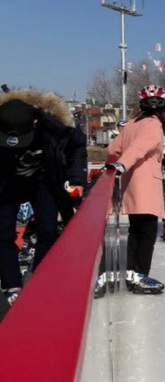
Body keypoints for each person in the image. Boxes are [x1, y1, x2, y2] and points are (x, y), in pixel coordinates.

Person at [0, 90, 87, 306]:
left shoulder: (55, 129)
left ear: (36, 122)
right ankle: (12, 285)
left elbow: (77, 146)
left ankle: (39, 277)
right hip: (7, 181)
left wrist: (76, 179)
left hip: (44, 180)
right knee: (2, 233)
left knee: (47, 228)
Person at [105, 85, 165, 295]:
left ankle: (131, 274)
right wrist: (121, 165)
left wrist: (116, 162)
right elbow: (139, 147)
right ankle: (139, 276)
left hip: (131, 186)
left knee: (135, 232)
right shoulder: (153, 124)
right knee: (147, 234)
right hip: (146, 186)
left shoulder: (132, 124)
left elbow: (112, 149)